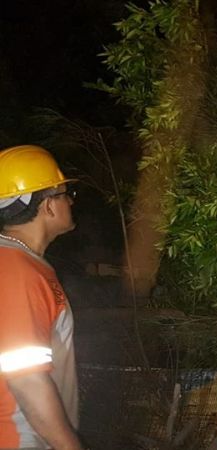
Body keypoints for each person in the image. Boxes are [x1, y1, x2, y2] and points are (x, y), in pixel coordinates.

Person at [0, 145, 83, 449]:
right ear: (48, 205)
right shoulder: (17, 270)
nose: (70, 201)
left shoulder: (19, 263)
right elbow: (27, 380)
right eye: (64, 193)